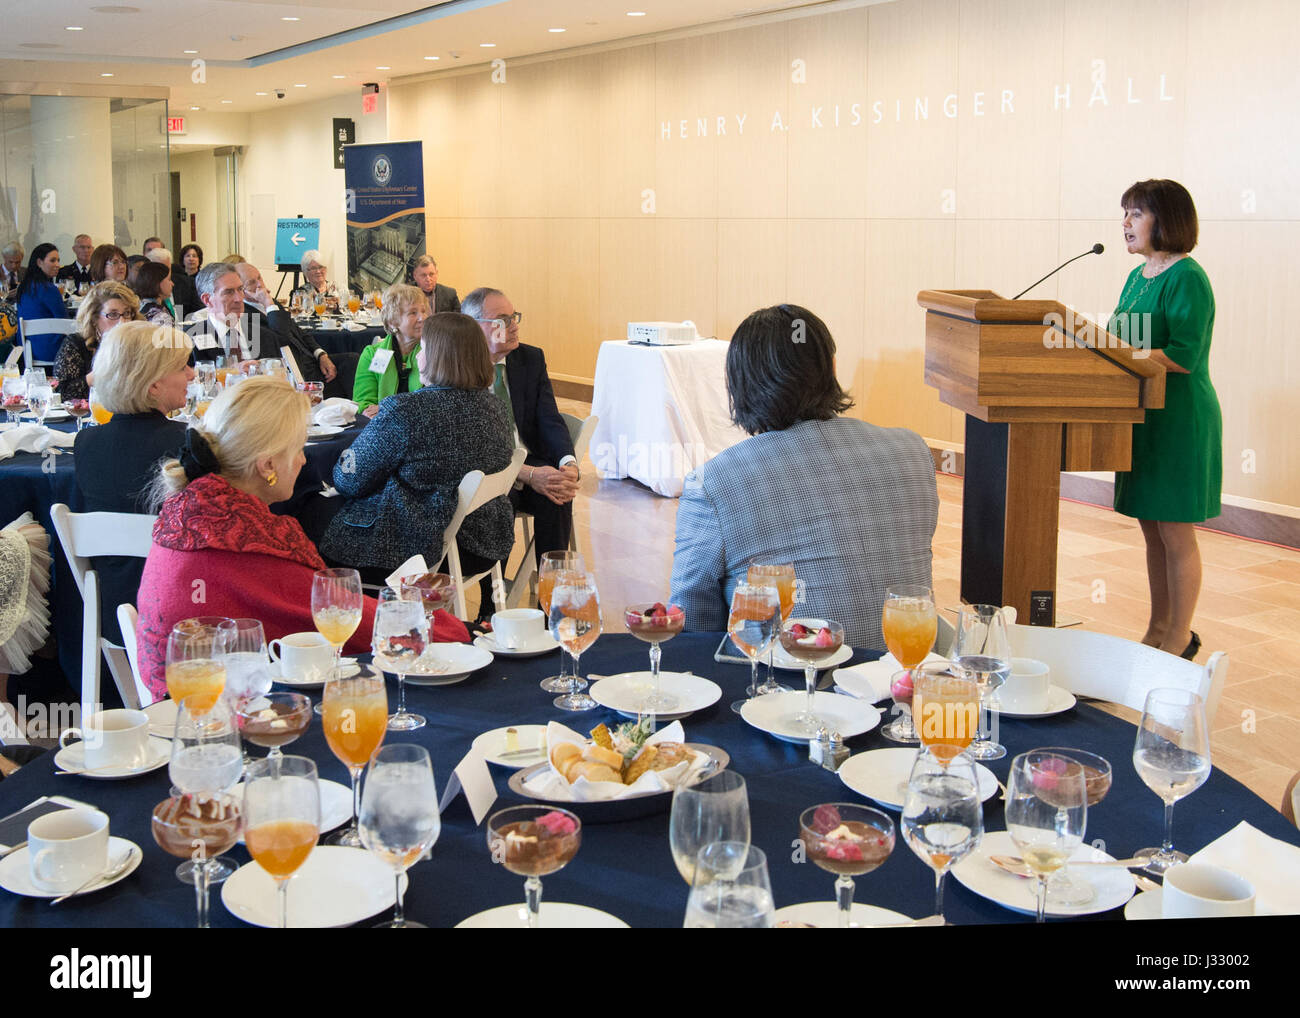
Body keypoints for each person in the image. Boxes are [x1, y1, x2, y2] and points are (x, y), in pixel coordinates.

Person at [136, 377, 469, 699]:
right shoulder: (245, 544)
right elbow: (348, 619)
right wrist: (451, 630)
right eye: (297, 448)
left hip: (185, 700)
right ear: (267, 465)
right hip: (220, 717)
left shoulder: (193, 514)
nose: (303, 459)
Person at [669, 304, 939, 650]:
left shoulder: (713, 483)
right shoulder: (913, 451)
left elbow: (694, 630)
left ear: (738, 385)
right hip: (903, 676)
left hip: (789, 687)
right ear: (832, 369)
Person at [320, 314, 516, 596]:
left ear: (437, 357)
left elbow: (349, 479)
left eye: (422, 349)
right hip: (483, 543)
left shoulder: (407, 411)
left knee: (316, 514)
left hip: (413, 554)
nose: (416, 358)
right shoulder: (495, 408)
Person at [1109, 179, 1221, 660]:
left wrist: (1123, 351)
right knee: (1150, 526)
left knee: (1175, 528)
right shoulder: (1139, 276)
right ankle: (1157, 627)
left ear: (1166, 220)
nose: (1126, 223)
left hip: (1179, 418)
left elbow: (1183, 354)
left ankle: (1181, 636)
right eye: (1125, 213)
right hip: (1143, 416)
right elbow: (1117, 334)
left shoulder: (1188, 277)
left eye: (1136, 213)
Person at [73, 321, 193, 646]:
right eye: (182, 367)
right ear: (153, 386)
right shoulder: (188, 446)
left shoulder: (85, 443)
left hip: (112, 614)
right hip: (183, 618)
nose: (192, 374)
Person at [463, 286, 578, 567]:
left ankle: (553, 596)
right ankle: (494, 602)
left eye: (514, 316)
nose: (514, 326)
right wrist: (526, 474)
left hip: (528, 457)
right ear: (475, 327)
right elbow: (474, 447)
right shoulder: (460, 367)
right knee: (499, 504)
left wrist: (568, 462)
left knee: (557, 493)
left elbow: (550, 419)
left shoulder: (530, 358)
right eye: (503, 320)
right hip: (488, 468)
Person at [234, 261, 336, 384]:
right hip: (296, 372)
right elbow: (282, 338)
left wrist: (321, 355)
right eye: (252, 283)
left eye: (259, 277)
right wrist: (268, 304)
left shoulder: (273, 304)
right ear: (242, 290)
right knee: (351, 362)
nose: (260, 284)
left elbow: (299, 331)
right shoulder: (246, 314)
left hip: (311, 361)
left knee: (353, 359)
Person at [53, 281, 139, 401]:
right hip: (87, 415)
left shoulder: (138, 344)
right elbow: (61, 393)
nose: (122, 322)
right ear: (94, 318)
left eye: (127, 313)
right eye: (113, 314)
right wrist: (100, 374)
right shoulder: (76, 344)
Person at [352, 283, 426, 417]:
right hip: (381, 426)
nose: (422, 318)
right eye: (413, 313)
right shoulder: (372, 354)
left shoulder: (433, 353)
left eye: (423, 311)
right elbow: (364, 402)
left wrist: (389, 410)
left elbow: (434, 400)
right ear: (393, 321)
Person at [14, 243, 67, 363]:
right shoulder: (49, 289)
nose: (57, 265)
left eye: (58, 260)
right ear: (39, 262)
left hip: (27, 349)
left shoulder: (23, 287)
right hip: (52, 351)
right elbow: (65, 323)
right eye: (52, 260)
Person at [128, 260, 174, 327]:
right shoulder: (159, 315)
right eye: (169, 279)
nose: (172, 284)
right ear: (157, 283)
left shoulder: (138, 305)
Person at [172, 243, 202, 316]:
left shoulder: (202, 277)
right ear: (182, 259)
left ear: (199, 259)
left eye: (194, 256)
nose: (191, 259)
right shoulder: (177, 279)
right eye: (188, 256)